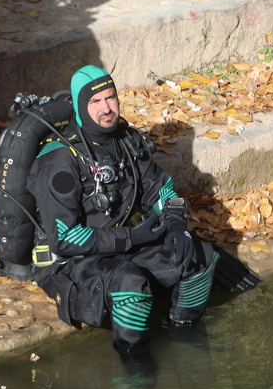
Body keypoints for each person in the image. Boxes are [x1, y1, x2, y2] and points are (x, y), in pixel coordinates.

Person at [27, 65, 218, 368]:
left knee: (200, 255)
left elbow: (161, 189)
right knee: (130, 283)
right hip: (71, 263)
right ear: (80, 107)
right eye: (95, 102)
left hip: (121, 246)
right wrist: (130, 237)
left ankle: (183, 338)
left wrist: (175, 224)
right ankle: (136, 367)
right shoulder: (59, 162)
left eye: (111, 97)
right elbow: (63, 237)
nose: (106, 108)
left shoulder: (125, 141)